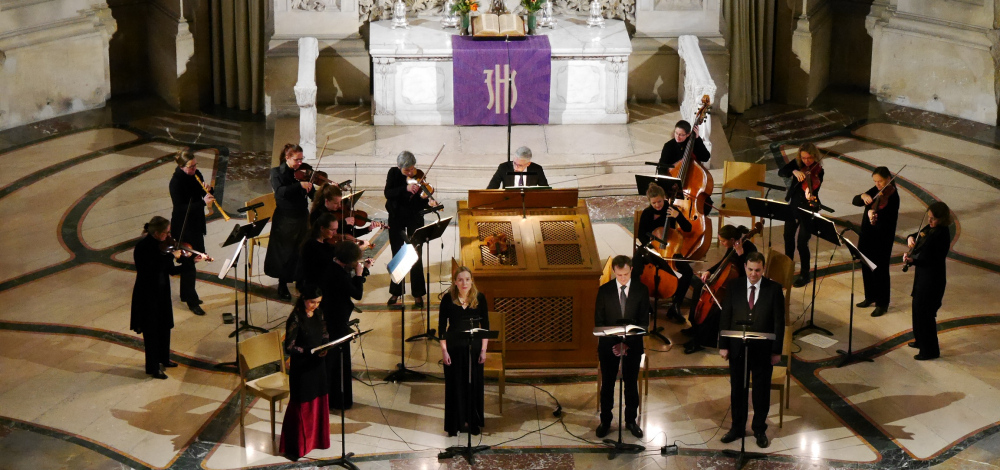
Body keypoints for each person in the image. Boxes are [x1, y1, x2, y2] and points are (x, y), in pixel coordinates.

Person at [718, 252, 784, 449]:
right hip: (738, 348)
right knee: (738, 389)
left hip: (763, 350)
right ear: (745, 266)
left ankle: (759, 429)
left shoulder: (774, 289)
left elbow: (779, 322)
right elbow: (726, 315)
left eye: (758, 270)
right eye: (750, 269)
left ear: (763, 269)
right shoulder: (734, 286)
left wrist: (776, 350)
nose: (754, 274)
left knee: (761, 392)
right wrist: (723, 344)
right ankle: (737, 427)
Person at [130, 216, 200, 379]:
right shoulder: (143, 247)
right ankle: (153, 367)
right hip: (147, 294)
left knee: (164, 326)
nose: (169, 236)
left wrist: (190, 263)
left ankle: (164, 359)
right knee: (152, 331)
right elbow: (151, 270)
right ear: (156, 233)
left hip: (162, 292)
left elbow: (171, 271)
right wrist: (171, 257)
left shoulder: (165, 246)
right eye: (166, 233)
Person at [595, 255, 651, 439]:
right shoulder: (604, 291)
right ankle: (605, 421)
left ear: (631, 270)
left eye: (626, 274)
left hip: (632, 347)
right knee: (608, 384)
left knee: (631, 384)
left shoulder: (641, 291)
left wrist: (626, 345)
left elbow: (643, 324)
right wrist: (616, 344)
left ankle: (631, 421)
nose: (623, 278)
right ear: (613, 272)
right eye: (619, 275)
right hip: (609, 347)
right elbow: (599, 322)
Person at [681, 225, 758, 354]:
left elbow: (751, 275)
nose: (721, 243)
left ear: (733, 239)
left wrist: (741, 255)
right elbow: (723, 262)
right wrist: (709, 271)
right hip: (727, 284)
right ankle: (695, 326)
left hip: (742, 287)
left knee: (714, 309)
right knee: (699, 287)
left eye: (723, 241)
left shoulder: (750, 250)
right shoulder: (731, 246)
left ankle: (702, 341)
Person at [278, 286, 331, 461]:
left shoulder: (319, 312)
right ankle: (297, 446)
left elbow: (324, 333)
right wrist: (309, 351)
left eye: (318, 302)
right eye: (312, 302)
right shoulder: (295, 318)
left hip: (317, 365)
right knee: (302, 405)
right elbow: (289, 347)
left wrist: (325, 344)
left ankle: (317, 440)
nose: (315, 305)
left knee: (319, 400)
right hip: (302, 368)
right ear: (303, 299)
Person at [439, 266, 490, 437]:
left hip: (474, 348)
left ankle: (472, 421)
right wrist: (444, 351)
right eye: (460, 279)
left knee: (473, 385)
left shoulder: (480, 298)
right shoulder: (447, 299)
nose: (464, 283)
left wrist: (483, 350)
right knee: (455, 386)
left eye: (467, 279)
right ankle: (455, 423)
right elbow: (441, 328)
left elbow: (486, 327)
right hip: (453, 348)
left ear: (472, 280)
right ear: (455, 282)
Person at [384, 150, 439, 307]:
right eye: (406, 170)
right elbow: (388, 193)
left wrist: (427, 202)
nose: (410, 172)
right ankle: (396, 292)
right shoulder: (393, 174)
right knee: (397, 255)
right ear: (399, 166)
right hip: (396, 218)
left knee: (415, 254)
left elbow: (421, 201)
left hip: (414, 218)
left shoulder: (419, 176)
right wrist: (405, 189)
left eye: (412, 169)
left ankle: (418, 294)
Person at [634, 182, 690, 324]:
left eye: (659, 201)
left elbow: (687, 228)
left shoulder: (672, 209)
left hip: (670, 250)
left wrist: (678, 216)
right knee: (636, 265)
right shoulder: (647, 213)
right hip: (652, 249)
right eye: (654, 203)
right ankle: (644, 304)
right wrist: (653, 248)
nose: (657, 205)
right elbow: (641, 235)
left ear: (664, 198)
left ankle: (675, 306)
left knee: (687, 272)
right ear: (650, 202)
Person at [265, 144, 316, 300]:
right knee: (285, 252)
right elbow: (280, 193)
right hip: (285, 218)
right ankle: (282, 284)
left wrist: (316, 189)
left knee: (301, 250)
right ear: (287, 158)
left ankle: (300, 280)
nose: (300, 163)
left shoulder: (304, 172)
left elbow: (313, 195)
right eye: (297, 159)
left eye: (302, 159)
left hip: (302, 216)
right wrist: (298, 185)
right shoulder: (276, 173)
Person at [325, 241, 372, 410]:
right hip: (336, 321)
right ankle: (338, 400)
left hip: (335, 318)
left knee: (338, 361)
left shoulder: (334, 267)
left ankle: (336, 398)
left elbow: (348, 286)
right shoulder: (339, 274)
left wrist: (362, 271)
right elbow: (357, 293)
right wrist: (359, 274)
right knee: (339, 361)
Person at [904, 202, 952, 361]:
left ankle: (930, 350)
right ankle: (920, 340)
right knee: (917, 309)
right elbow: (917, 235)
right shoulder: (930, 229)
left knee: (925, 313)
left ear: (942, 219)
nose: (930, 221)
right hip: (923, 276)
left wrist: (913, 260)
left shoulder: (941, 235)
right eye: (929, 217)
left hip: (932, 279)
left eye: (933, 219)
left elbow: (932, 260)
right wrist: (910, 238)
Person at [168, 150, 213, 316]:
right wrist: (202, 202)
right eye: (191, 166)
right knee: (189, 263)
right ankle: (192, 301)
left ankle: (186, 294)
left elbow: (202, 194)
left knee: (193, 261)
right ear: (181, 166)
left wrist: (209, 191)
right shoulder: (175, 183)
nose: (194, 169)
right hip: (183, 228)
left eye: (195, 165)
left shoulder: (196, 174)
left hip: (195, 225)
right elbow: (179, 208)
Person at [851, 167, 900, 317]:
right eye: (875, 181)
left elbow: (888, 221)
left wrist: (874, 214)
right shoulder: (876, 189)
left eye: (880, 181)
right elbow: (856, 201)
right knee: (866, 266)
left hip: (882, 238)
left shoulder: (893, 196)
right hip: (867, 235)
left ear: (888, 178)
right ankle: (870, 297)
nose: (878, 184)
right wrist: (863, 195)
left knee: (880, 271)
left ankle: (882, 303)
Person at [778, 142, 824, 288]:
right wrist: (794, 171)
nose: (806, 161)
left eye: (809, 158)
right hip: (793, 205)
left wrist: (809, 193)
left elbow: (814, 185)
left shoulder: (818, 170)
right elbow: (782, 172)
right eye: (804, 158)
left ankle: (805, 274)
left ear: (814, 156)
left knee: (802, 242)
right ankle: (788, 268)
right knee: (788, 236)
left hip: (807, 207)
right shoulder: (797, 164)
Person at [309, 184, 382, 249]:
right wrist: (344, 222)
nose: (339, 205)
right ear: (327, 201)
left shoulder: (341, 213)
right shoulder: (317, 214)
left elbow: (349, 234)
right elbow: (322, 233)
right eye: (336, 203)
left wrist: (368, 229)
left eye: (340, 202)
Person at [295, 212, 338, 293]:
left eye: (336, 229)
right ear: (322, 228)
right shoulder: (311, 244)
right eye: (332, 230)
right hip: (312, 286)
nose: (335, 233)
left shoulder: (323, 243)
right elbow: (325, 260)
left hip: (318, 281)